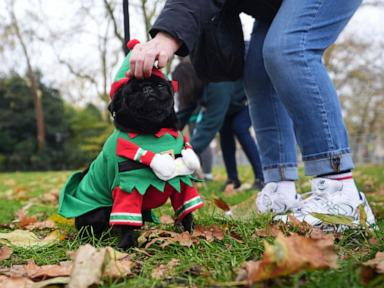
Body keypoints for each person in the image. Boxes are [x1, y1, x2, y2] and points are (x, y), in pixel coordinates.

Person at [127, 0, 375, 230]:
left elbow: (213, 120)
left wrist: (166, 36)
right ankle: (281, 190)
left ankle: (340, 194)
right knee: (257, 72)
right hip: (274, 6)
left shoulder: (215, 94)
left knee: (288, 49)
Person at [173, 60, 264, 192]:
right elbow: (182, 115)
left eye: (180, 86)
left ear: (188, 81)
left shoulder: (216, 86)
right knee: (225, 132)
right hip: (229, 106)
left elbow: (209, 126)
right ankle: (233, 180)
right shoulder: (198, 89)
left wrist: (187, 152)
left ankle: (261, 177)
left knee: (240, 127)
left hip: (247, 100)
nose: (180, 91)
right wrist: (166, 134)